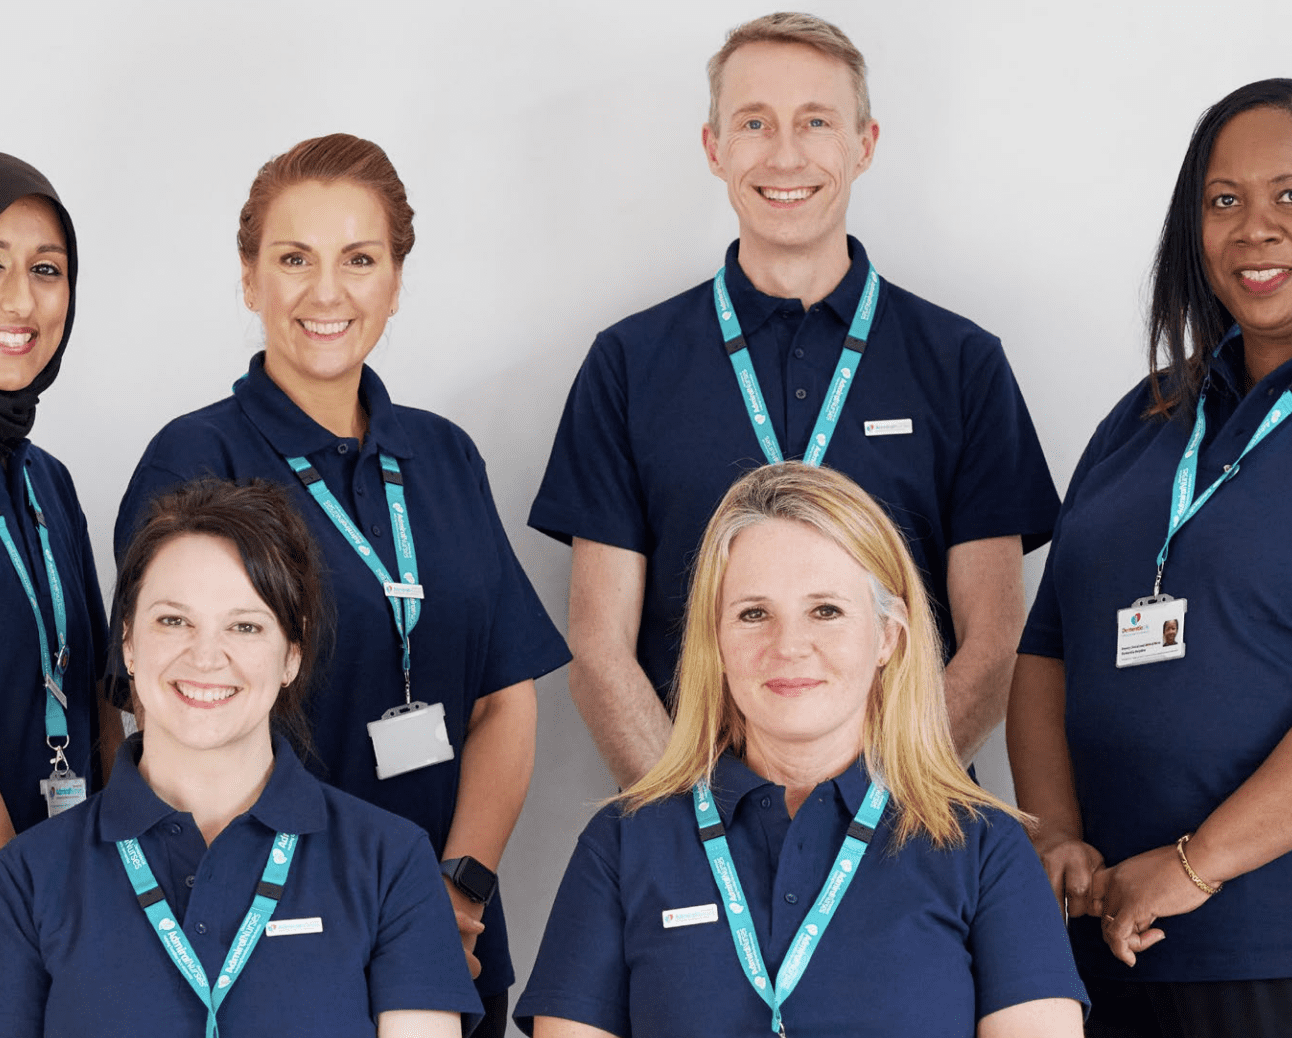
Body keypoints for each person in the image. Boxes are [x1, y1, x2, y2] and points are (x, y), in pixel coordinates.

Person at [528, 12, 1059, 789]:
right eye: (754, 123)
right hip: (697, 826)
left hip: (911, 830)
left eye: (816, 121)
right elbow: (601, 650)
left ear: (864, 143)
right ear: (714, 148)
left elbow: (994, 640)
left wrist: (882, 809)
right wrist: (691, 825)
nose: (784, 154)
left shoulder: (961, 363)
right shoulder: (629, 364)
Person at [113, 134, 570, 1035]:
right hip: (268, 943)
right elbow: (167, 720)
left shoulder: (443, 455)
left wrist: (456, 894)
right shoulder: (196, 461)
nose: (327, 293)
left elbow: (504, 700)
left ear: (396, 282)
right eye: (294, 259)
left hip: (451, 942)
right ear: (250, 280)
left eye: (359, 260)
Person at [516, 462, 1085, 1036]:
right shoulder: (622, 842)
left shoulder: (983, 845)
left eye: (826, 611)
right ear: (715, 639)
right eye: (754, 614)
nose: (789, 646)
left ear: (888, 635)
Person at [1008, 79, 1292, 1037]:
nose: (1255, 229)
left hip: (1268, 950)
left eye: (1291, 196)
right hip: (1101, 940)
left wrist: (1196, 864)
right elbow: (1047, 646)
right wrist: (1054, 837)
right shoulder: (1145, 417)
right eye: (1225, 201)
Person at [0, 478, 481, 1035]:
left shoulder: (390, 863)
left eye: (246, 626)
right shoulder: (27, 875)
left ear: (291, 655)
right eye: (173, 620)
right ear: (128, 641)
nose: (206, 657)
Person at [0, 154, 121, 848]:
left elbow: (96, 689)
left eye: (46, 269)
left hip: (74, 884)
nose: (21, 302)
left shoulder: (48, 480)